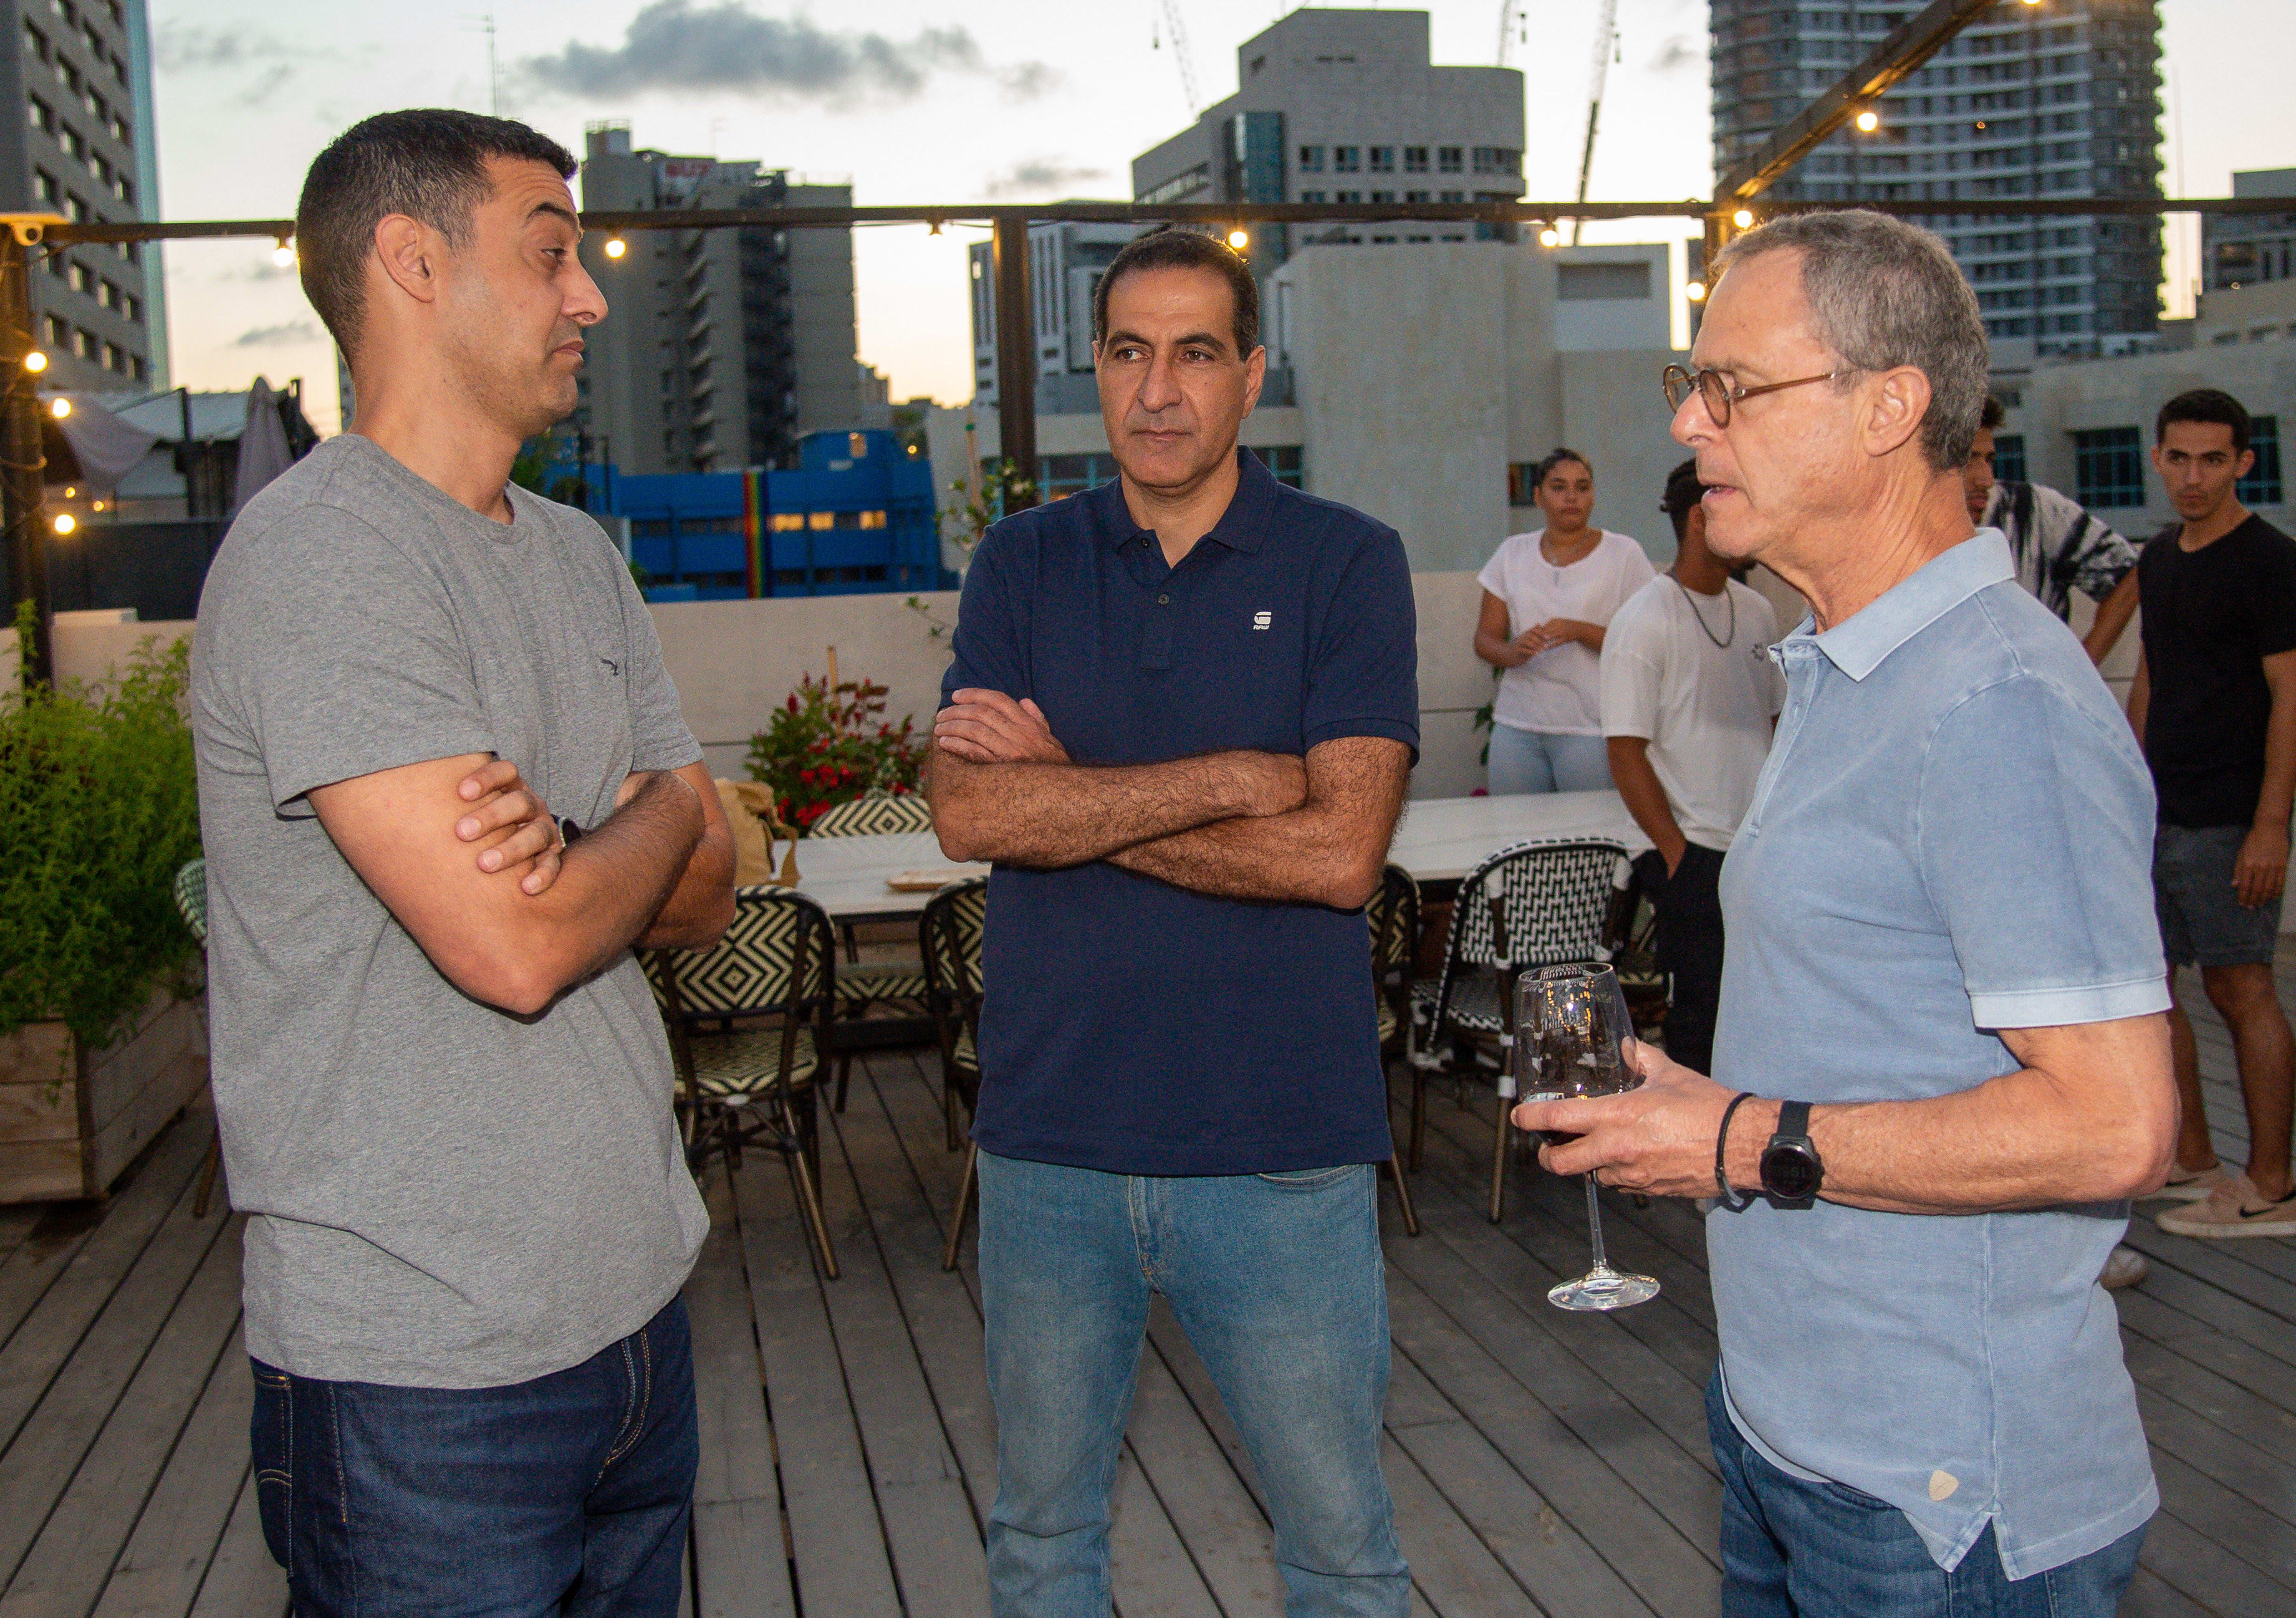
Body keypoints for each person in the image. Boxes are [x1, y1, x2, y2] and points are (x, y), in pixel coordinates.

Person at [1522, 209, 2174, 1616]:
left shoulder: (1989, 699)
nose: (1693, 422)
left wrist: (1739, 1136)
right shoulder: (1845, 667)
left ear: (1891, 406)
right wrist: (1704, 1100)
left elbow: (2113, 1122)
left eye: (1733, 387)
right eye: (1687, 387)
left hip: (1937, 1496)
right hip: (1787, 1428)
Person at [191, 110, 735, 1613]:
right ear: (412, 263)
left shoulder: (578, 555)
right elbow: (517, 946)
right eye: (550, 253)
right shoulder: (320, 558)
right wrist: (645, 815)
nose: (591, 298)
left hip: (634, 1315)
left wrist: (587, 842)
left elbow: (707, 881)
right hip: (419, 1372)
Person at [928, 224, 1416, 1617]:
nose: (1157, 389)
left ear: (1247, 373)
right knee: (1038, 1540)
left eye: (1193, 352)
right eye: (1128, 353)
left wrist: (1068, 796)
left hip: (1275, 1147)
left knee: (1338, 1550)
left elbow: (1335, 855)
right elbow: (970, 815)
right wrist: (1222, 783)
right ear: (1095, 370)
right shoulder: (1022, 561)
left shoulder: (1343, 562)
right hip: (1050, 1145)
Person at [2126, 388, 2296, 1238]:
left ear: (2241, 464)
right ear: (2156, 458)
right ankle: (2191, 1155)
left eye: (2211, 460)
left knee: (2240, 987)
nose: (2192, 476)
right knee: (2152, 992)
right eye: (2178, 458)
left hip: (2232, 814)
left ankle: (2271, 1182)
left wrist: (2270, 824)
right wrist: (2126, 786)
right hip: (2159, 806)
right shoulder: (2157, 558)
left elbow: (2288, 693)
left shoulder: (2268, 561)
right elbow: (2151, 677)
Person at [1598, 459, 1784, 1078]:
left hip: (1758, 847)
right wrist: (1675, 853)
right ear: (1698, 517)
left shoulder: (1757, 611)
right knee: (1698, 1017)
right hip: (1692, 850)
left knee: (1764, 1008)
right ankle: (1695, 1165)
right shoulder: (1643, 620)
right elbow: (1624, 749)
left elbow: (1777, 723)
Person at [1474, 449, 1655, 793]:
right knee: (1515, 834)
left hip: (1590, 728)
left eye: (1583, 487)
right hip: (1518, 725)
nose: (1572, 497)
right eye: (1559, 487)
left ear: (1593, 495)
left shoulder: (1624, 554)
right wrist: (1513, 653)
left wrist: (1579, 630)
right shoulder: (1512, 552)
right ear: (1539, 496)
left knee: (1590, 834)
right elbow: (1485, 639)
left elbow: (1644, 643)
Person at [1965, 395, 2141, 664]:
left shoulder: (2032, 510)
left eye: (1989, 459)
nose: (1985, 479)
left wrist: (2080, 670)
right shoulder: (1892, 529)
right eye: (1968, 460)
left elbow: (2129, 575)